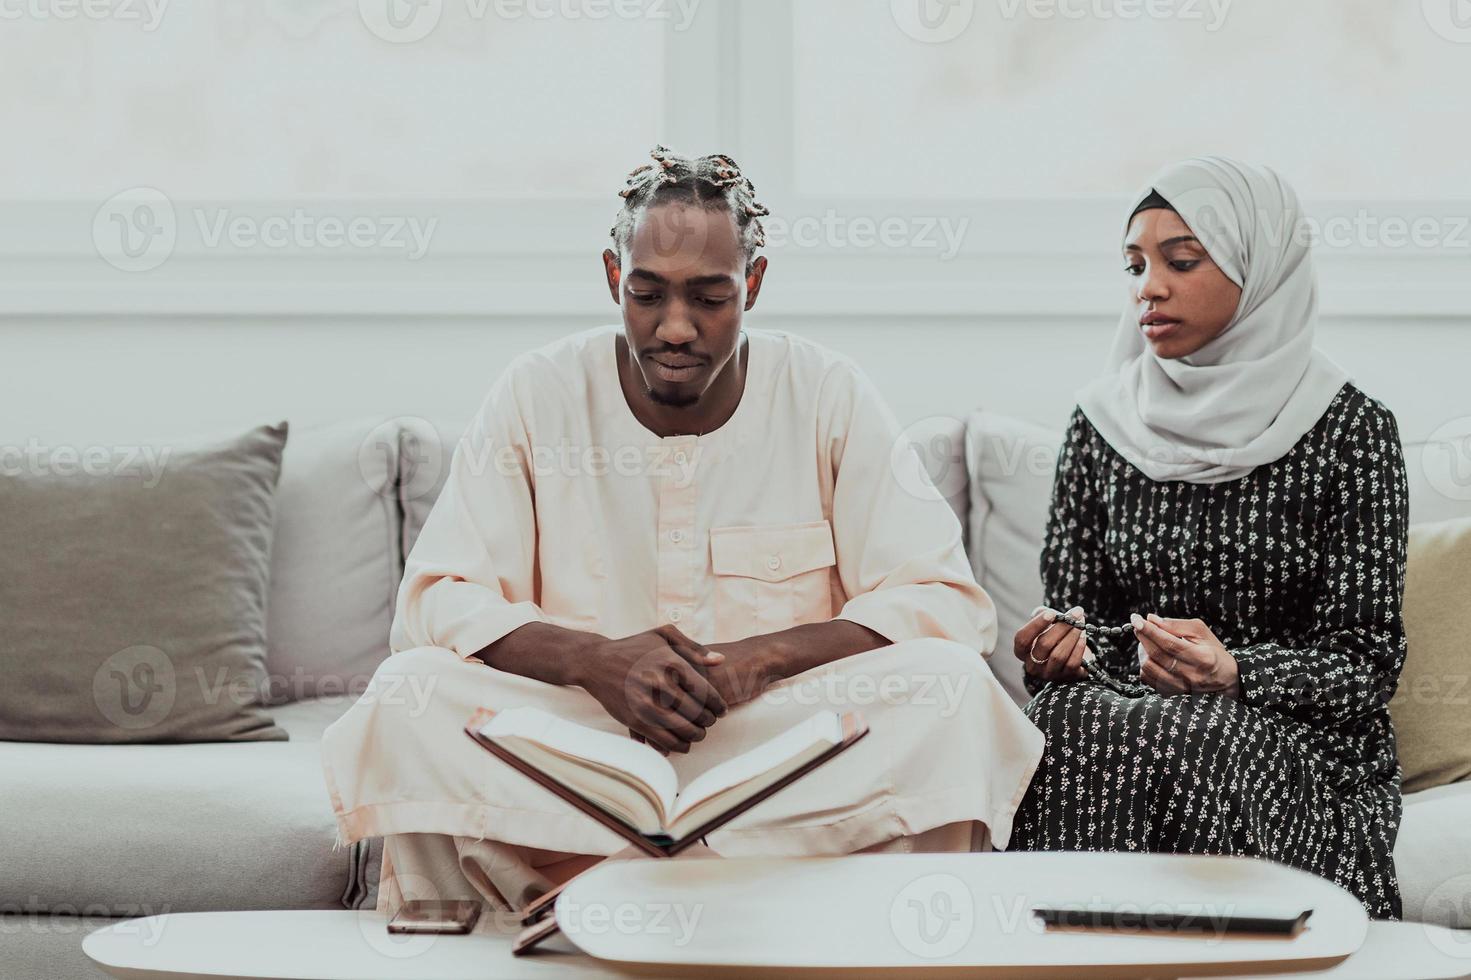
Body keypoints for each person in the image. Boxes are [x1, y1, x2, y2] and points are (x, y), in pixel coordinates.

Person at [321, 145, 1043, 920]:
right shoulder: (538, 392)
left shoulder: (825, 392)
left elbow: (942, 602)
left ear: (753, 285)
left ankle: (666, 904)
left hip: (774, 748)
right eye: (646, 294)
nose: (674, 327)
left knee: (952, 690)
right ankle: (612, 915)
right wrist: (591, 662)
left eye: (708, 297)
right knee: (411, 692)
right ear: (611, 278)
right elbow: (437, 600)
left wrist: (758, 661)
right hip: (581, 745)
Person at [1007, 156, 1409, 919]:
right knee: (1053, 721)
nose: (1146, 289)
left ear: (1258, 271)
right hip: (1126, 724)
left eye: (1180, 261)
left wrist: (1235, 674)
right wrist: (1057, 655)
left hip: (1299, 748)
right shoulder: (1100, 427)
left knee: (1203, 734)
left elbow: (1364, 666)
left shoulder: (1351, 431)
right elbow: (1078, 621)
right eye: (1133, 266)